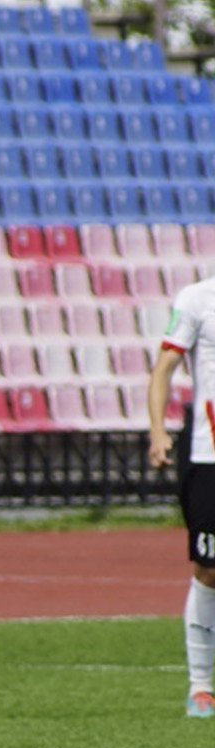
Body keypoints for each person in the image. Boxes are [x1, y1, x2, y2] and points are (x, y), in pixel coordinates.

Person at [147, 272, 215, 718]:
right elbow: (164, 369)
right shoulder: (197, 299)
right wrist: (157, 431)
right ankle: (201, 687)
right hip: (209, 454)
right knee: (209, 568)